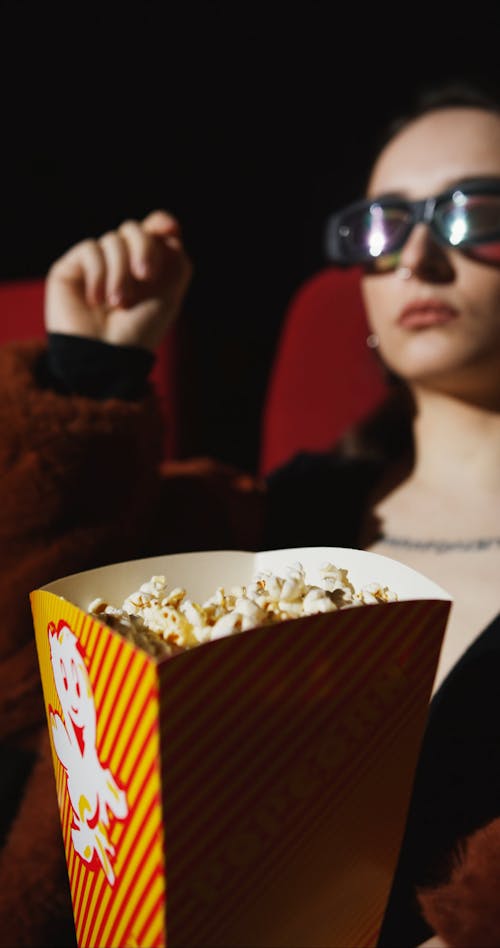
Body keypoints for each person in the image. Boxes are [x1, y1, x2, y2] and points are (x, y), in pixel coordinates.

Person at [3, 77, 500, 947]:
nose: (417, 260)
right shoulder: (259, 521)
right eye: (383, 227)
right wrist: (93, 374)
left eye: (480, 214)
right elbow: (31, 694)